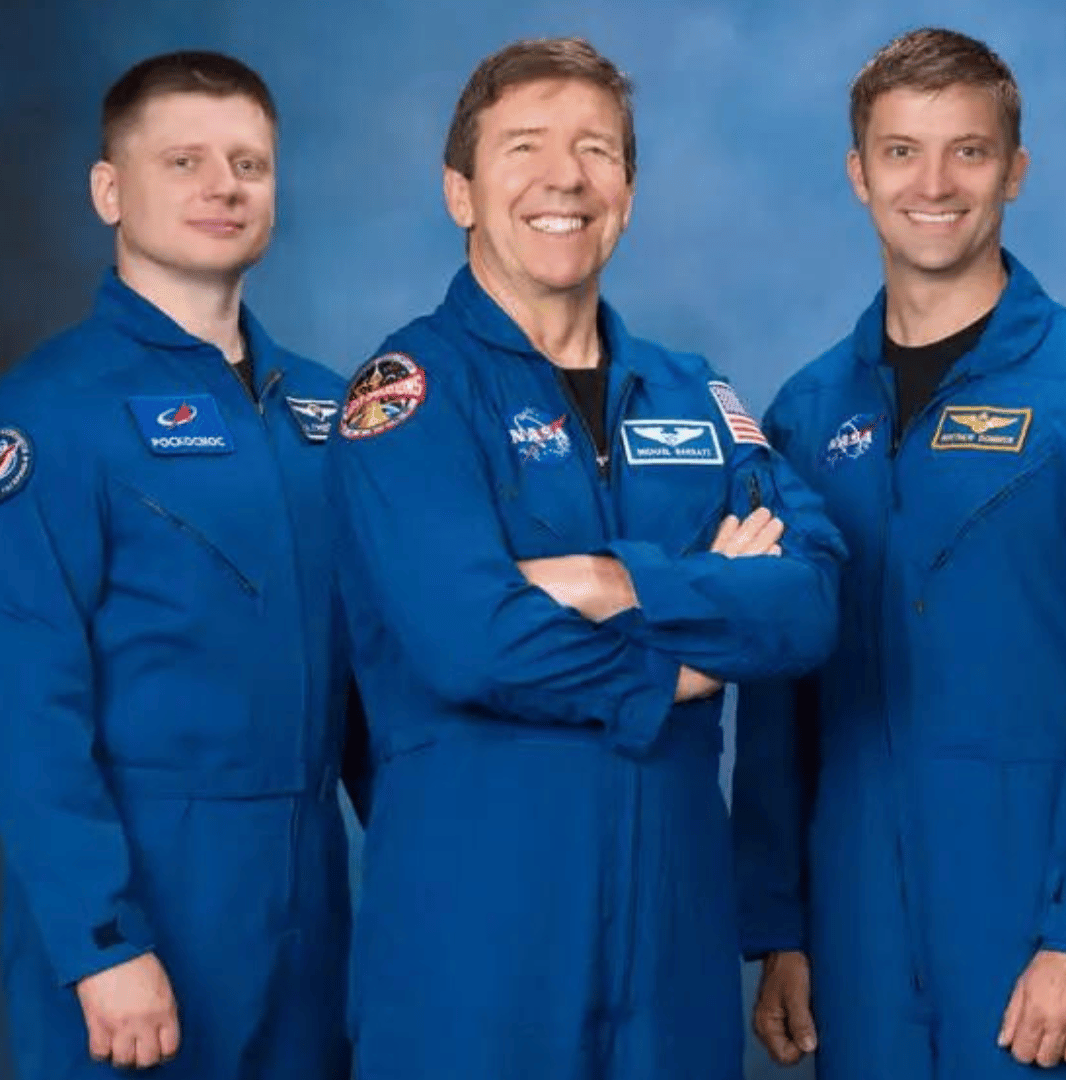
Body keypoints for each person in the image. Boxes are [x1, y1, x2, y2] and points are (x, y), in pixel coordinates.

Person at [327, 37, 845, 1080]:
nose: (565, 177)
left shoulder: (696, 396)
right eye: (524, 147)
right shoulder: (406, 395)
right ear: (460, 192)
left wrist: (613, 581)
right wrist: (690, 658)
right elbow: (472, 640)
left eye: (596, 151)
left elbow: (810, 602)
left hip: (671, 946)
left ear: (628, 191)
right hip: (477, 942)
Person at [733, 27, 1066, 1079]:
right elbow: (778, 702)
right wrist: (780, 925)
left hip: (1034, 912)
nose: (936, 183)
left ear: (1016, 169)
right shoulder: (805, 416)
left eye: (970, 150)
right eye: (903, 151)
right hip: (856, 920)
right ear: (859, 173)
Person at [0, 51, 363, 1079]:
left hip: (315, 887)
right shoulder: (44, 419)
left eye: (249, 164)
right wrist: (103, 941)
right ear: (109, 189)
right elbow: (20, 713)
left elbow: (382, 672)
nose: (224, 186)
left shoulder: (330, 412)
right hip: (148, 880)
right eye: (184, 160)